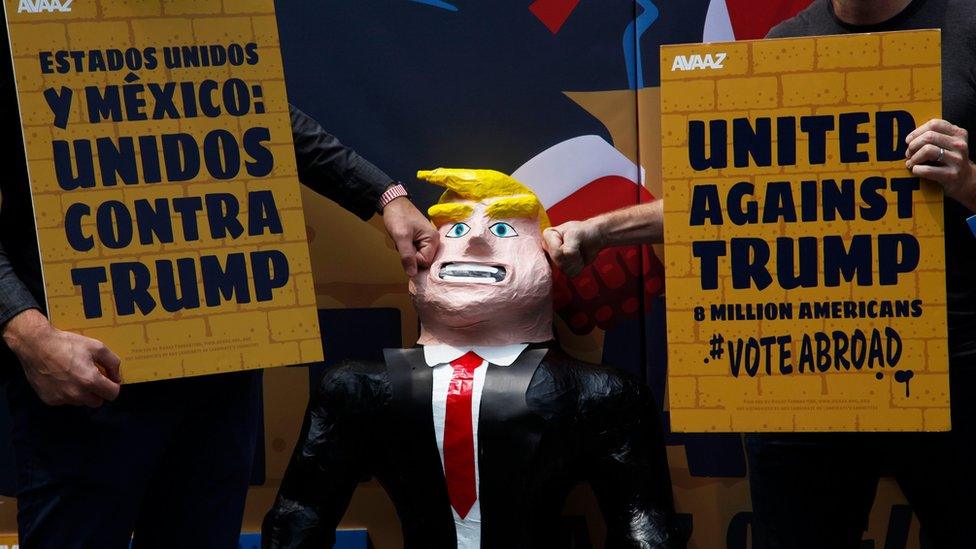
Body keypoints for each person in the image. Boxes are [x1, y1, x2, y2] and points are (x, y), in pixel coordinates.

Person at [545, 1, 976, 547]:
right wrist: (599, 232)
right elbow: (729, 203)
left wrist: (967, 180)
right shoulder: (782, 45)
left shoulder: (967, 27)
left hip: (948, 366)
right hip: (799, 372)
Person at [0, 21, 438, 549]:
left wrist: (386, 195)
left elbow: (260, 114)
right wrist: (28, 334)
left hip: (216, 366)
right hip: (86, 371)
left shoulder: (202, 15)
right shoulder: (25, 19)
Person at [262, 169, 686, 548]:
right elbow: (298, 519)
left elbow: (645, 530)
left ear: (550, 260)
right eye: (456, 229)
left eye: (503, 230)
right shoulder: (354, 392)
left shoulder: (604, 396)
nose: (478, 239)